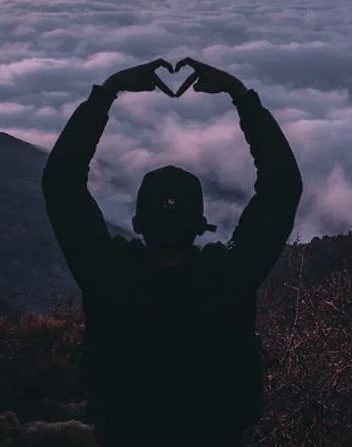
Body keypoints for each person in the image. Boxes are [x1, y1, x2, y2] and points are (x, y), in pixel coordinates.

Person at [41, 57, 303, 447]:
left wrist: (108, 91)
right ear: (200, 224)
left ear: (137, 224)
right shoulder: (229, 279)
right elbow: (281, 186)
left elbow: (61, 182)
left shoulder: (108, 276)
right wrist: (240, 95)